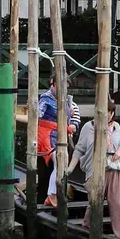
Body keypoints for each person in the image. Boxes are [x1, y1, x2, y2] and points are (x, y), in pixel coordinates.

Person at [71, 113, 120, 239]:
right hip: (95, 169)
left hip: (113, 168)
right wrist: (70, 168)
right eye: (106, 112)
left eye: (111, 113)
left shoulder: (116, 126)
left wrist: (119, 150)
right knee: (96, 202)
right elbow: (79, 149)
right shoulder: (88, 127)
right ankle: (88, 227)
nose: (108, 116)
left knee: (117, 203)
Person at [35, 79, 81, 209]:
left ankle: (52, 195)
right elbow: (37, 114)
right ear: (53, 83)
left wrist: (72, 124)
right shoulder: (45, 98)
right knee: (49, 170)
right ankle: (49, 195)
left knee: (60, 164)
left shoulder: (69, 102)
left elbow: (75, 119)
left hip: (61, 139)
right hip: (46, 138)